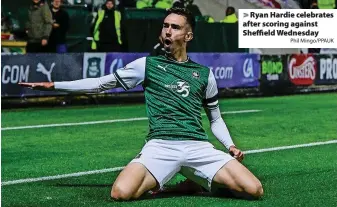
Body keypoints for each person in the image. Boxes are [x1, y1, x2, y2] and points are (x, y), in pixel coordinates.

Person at [19, 8, 263, 201]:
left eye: (175, 27)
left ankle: (195, 181)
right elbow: (100, 84)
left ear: (188, 36)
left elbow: (215, 118)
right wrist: (55, 85)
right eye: (165, 26)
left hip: (198, 147)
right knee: (121, 193)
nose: (167, 31)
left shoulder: (204, 73)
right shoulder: (146, 65)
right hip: (160, 146)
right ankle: (184, 184)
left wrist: (229, 145)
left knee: (254, 190)